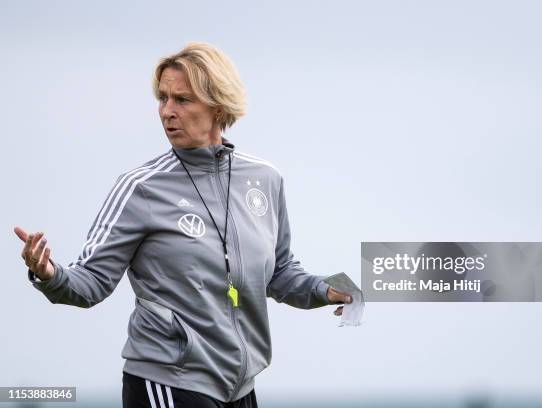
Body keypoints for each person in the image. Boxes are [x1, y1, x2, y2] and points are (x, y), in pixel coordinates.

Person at [14, 42, 352, 408]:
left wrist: (325, 290)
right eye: (163, 99)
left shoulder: (265, 179)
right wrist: (49, 273)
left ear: (218, 106)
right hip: (167, 381)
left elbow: (279, 273)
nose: (167, 112)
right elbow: (91, 283)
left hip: (240, 389)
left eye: (183, 100)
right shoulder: (141, 188)